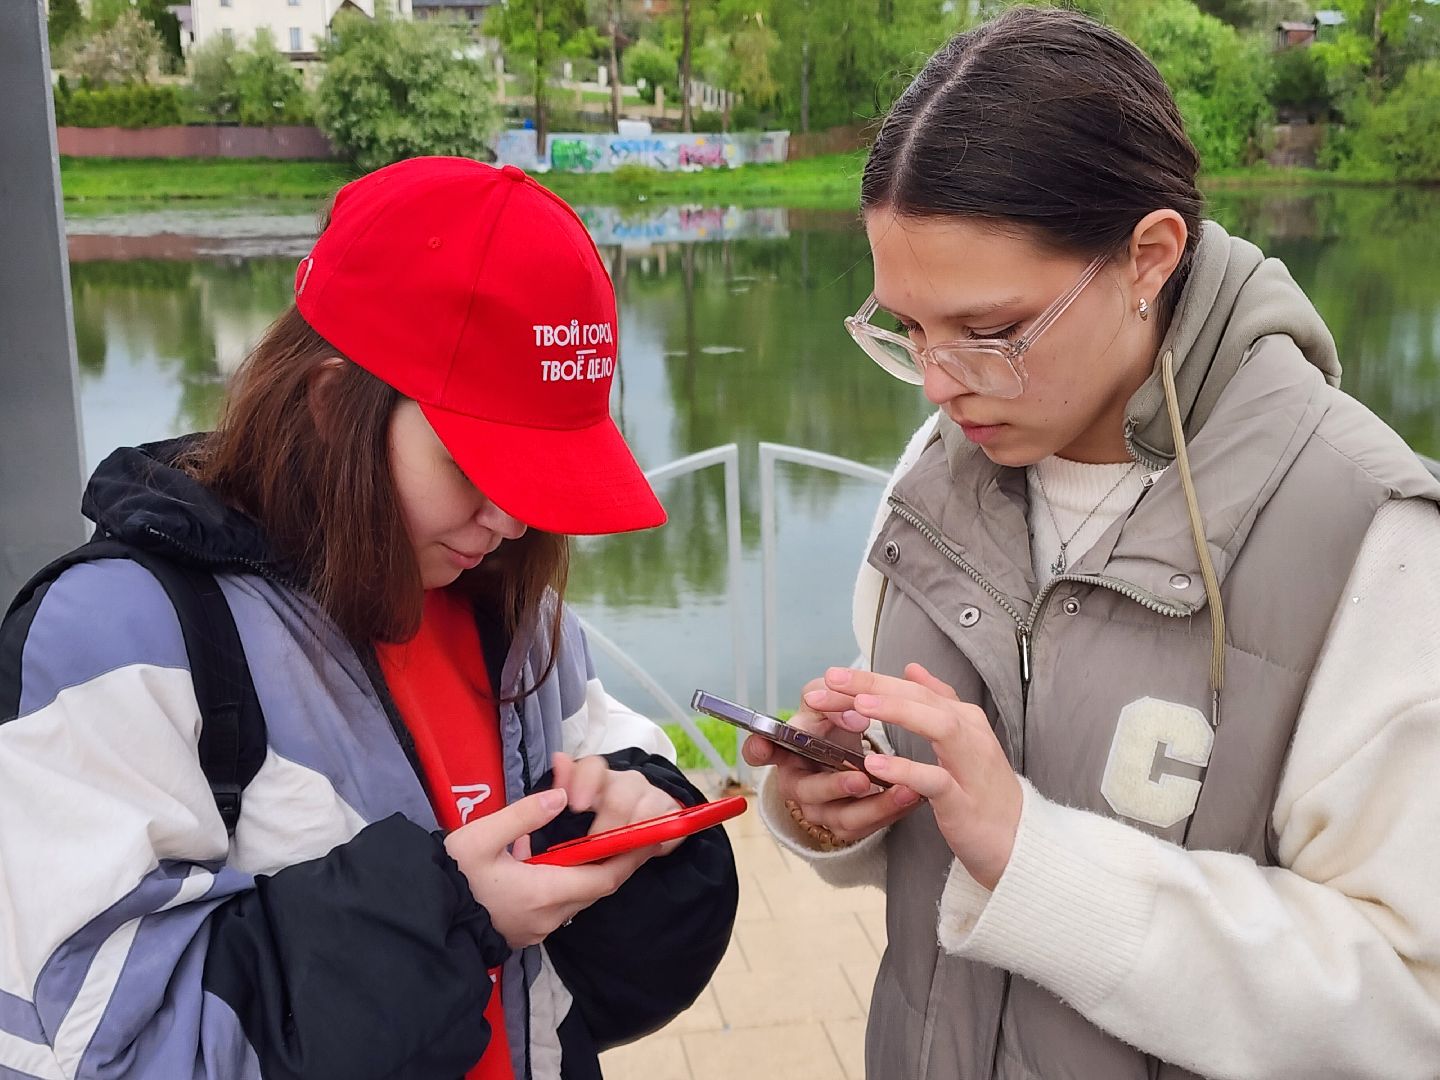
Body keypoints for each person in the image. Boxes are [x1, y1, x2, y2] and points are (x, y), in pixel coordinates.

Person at [744, 8, 1440, 1080]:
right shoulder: (934, 477)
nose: (936, 383)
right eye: (906, 329)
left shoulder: (1368, 539)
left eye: (988, 333)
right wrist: (827, 813)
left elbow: (1409, 1005)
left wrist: (1040, 866)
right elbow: (917, 849)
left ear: (1148, 259)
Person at [0, 156, 738, 1080]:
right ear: (329, 404)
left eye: (540, 478)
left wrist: (642, 832)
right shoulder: (119, 640)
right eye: (475, 466)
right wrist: (447, 916)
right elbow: (84, 1047)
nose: (509, 521)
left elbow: (586, 987)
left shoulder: (513, 611)